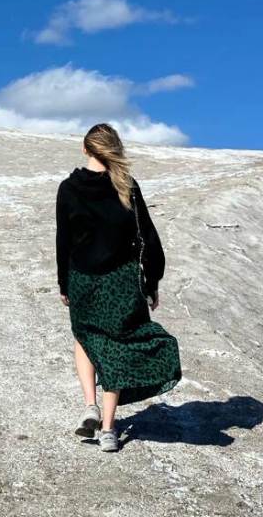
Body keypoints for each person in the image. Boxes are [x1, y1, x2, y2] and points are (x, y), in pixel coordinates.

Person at [56, 123, 182, 453]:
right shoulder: (126, 185)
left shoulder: (68, 189)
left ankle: (89, 406)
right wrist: (152, 280)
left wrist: (63, 282)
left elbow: (63, 241)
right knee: (118, 346)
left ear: (85, 149)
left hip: (83, 279)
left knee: (85, 338)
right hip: (121, 282)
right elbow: (149, 237)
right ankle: (109, 430)